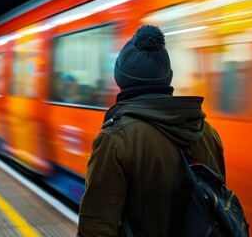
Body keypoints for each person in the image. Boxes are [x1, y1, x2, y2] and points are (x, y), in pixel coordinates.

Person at [77, 25, 227, 236]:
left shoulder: (115, 140)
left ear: (120, 78)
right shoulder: (207, 132)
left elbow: (96, 225)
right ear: (168, 77)